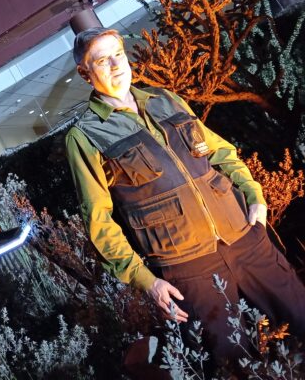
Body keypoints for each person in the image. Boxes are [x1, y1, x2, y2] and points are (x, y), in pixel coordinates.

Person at [64, 26, 305, 367]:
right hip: (190, 269)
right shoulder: (85, 136)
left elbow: (221, 153)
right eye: (102, 60)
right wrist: (147, 282)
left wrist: (254, 196)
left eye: (118, 54)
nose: (116, 66)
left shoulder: (165, 100)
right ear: (85, 73)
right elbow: (99, 224)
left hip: (247, 239)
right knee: (232, 362)